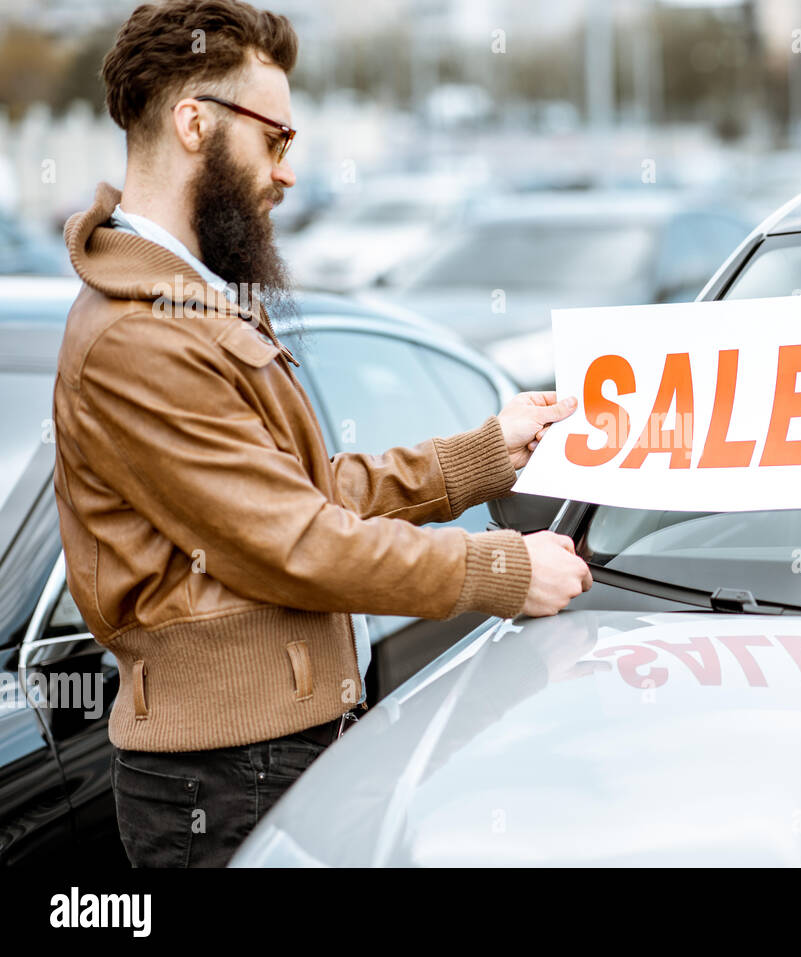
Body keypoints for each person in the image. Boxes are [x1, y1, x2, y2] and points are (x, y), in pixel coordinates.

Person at [51, 0, 591, 867]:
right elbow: (292, 541)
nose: (287, 172)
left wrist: (482, 455)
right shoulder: (139, 337)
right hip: (221, 780)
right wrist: (502, 569)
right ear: (196, 124)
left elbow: (295, 494)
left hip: (268, 757)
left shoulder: (189, 299)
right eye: (276, 140)